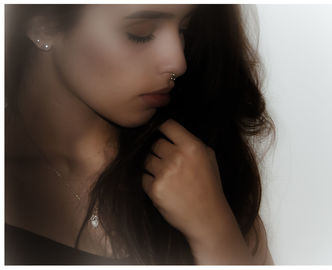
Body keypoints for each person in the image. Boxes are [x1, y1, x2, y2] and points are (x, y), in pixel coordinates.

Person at [5, 4, 276, 265]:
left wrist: (216, 232)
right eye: (141, 32)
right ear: (44, 25)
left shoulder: (201, 165)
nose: (178, 62)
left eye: (184, 29)